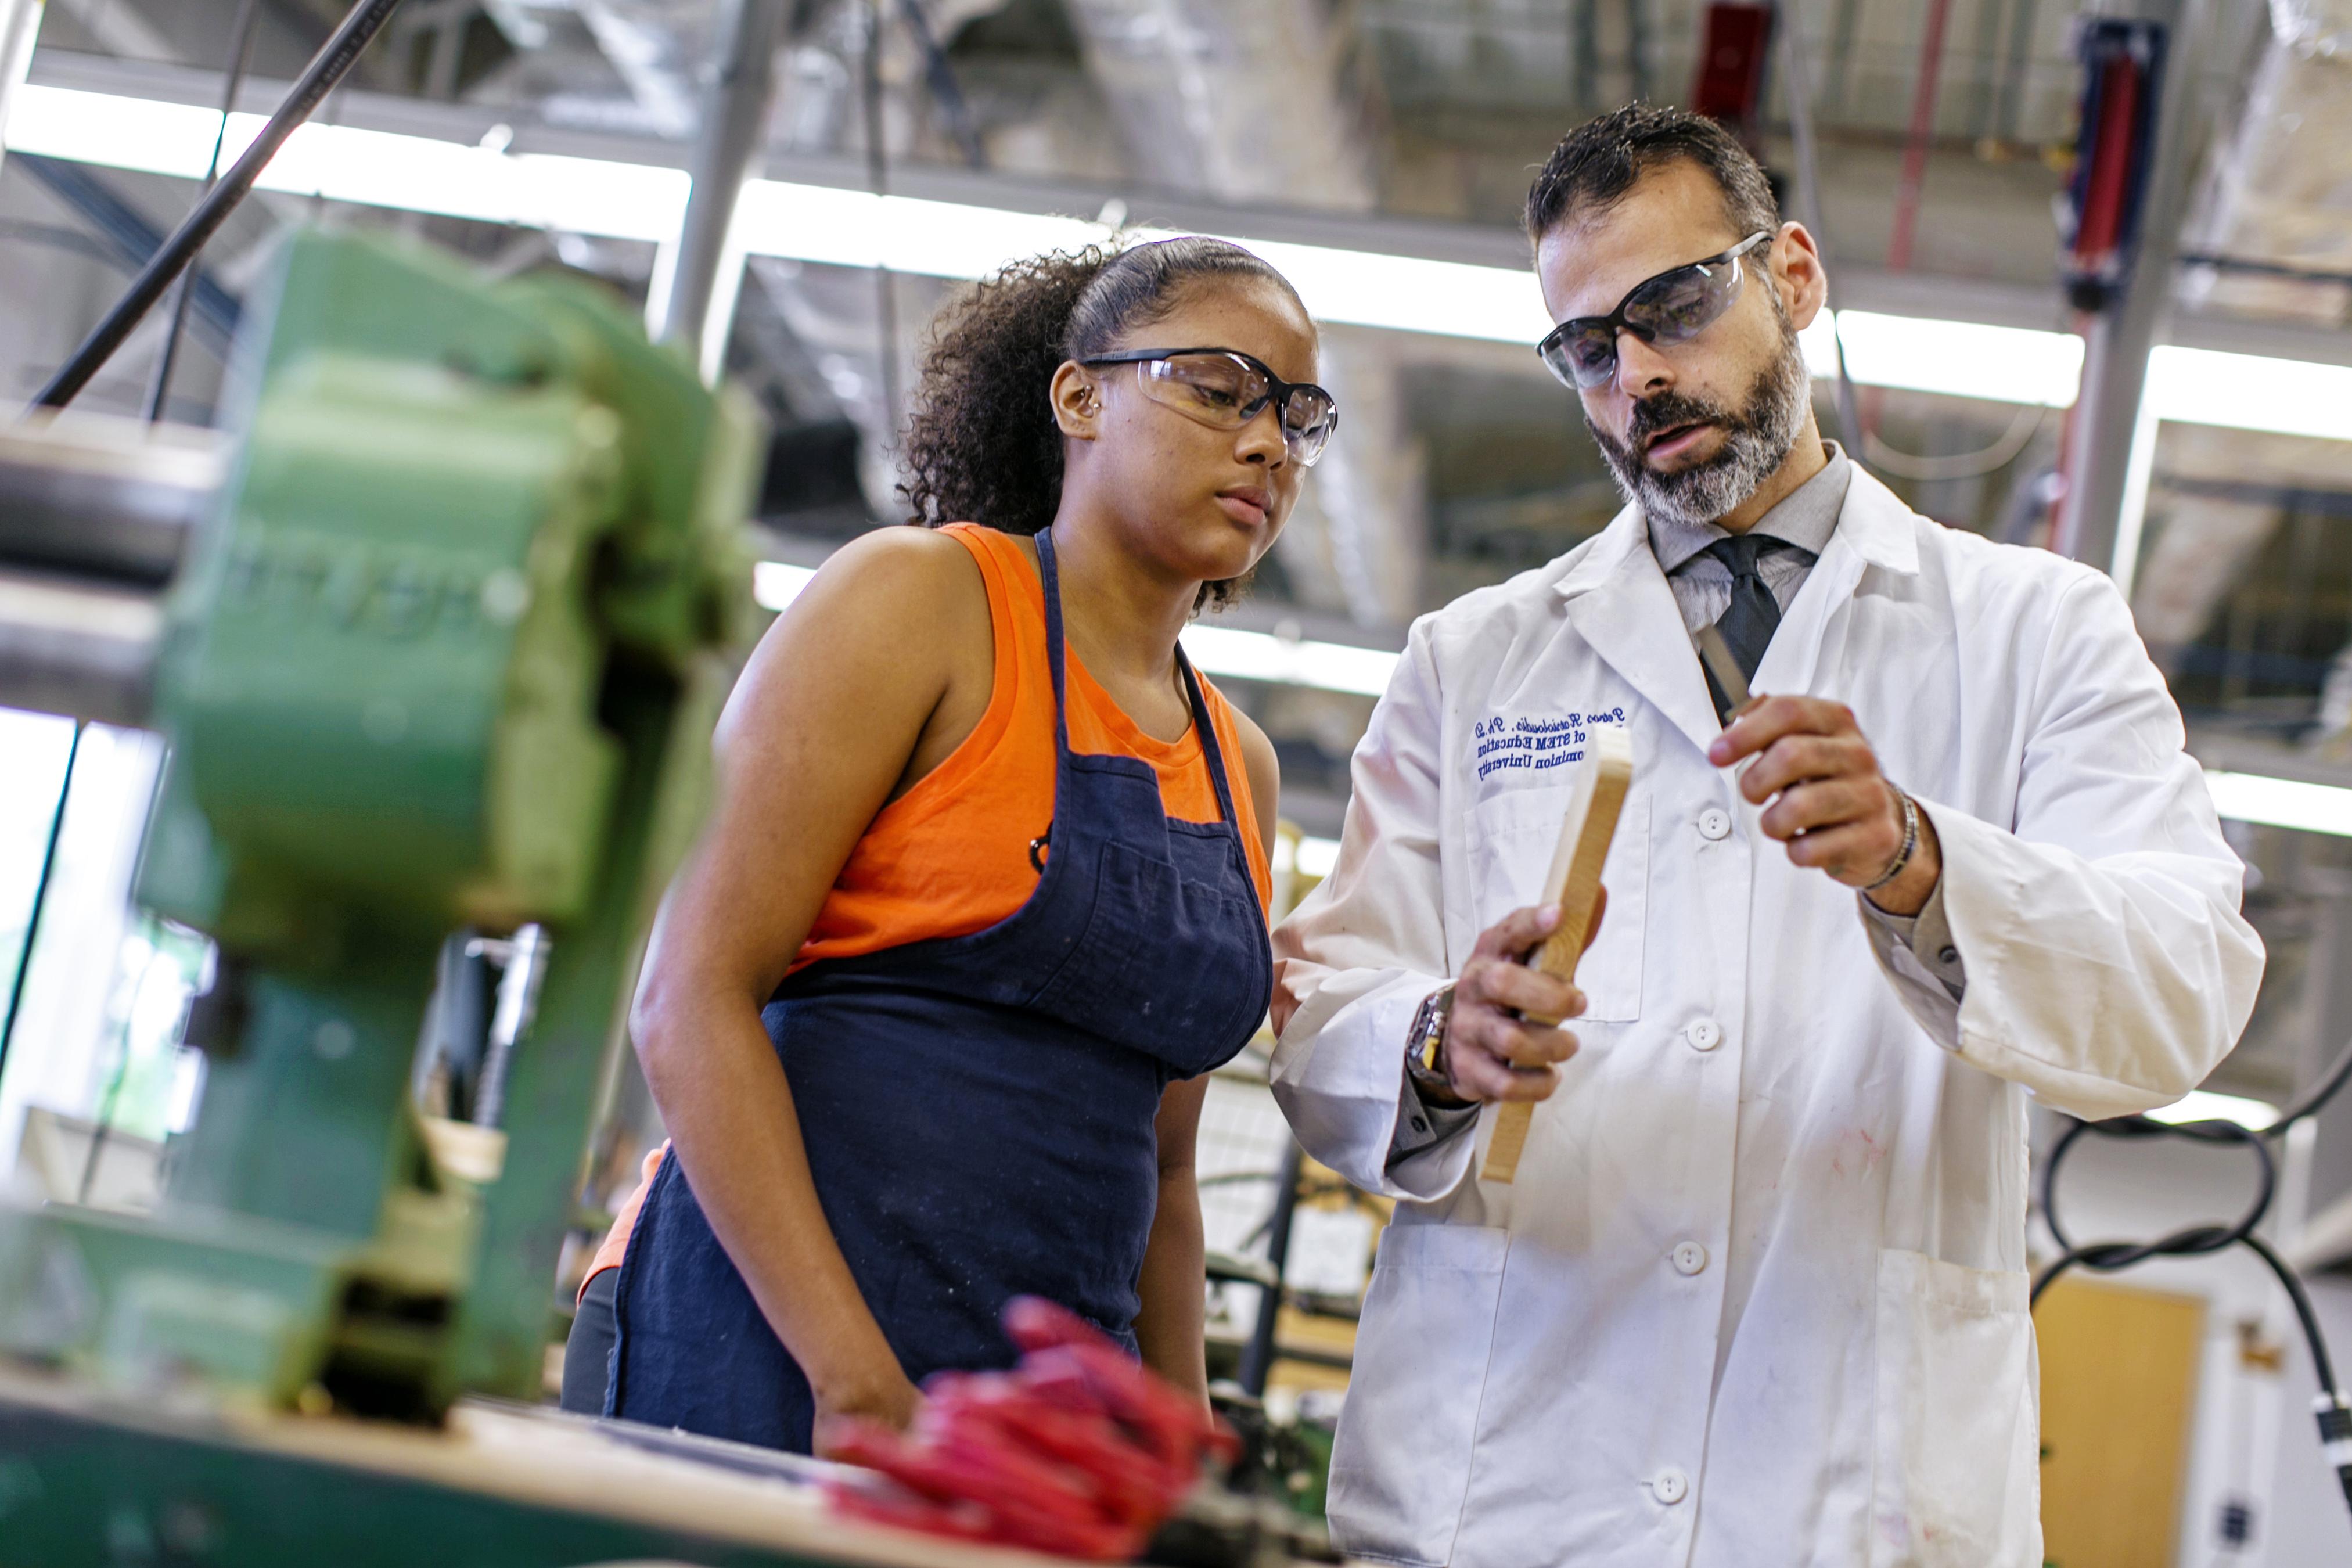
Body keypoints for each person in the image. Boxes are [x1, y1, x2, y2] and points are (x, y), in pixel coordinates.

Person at [1269, 105, 2264, 1567]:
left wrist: (1923, 867)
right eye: (1591, 351)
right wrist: (1436, 1042)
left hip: (1843, 1495)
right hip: (1510, 1482)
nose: (1642, 378)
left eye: (1675, 306)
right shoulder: (1473, 659)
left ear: (1792, 277)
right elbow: (1325, 1018)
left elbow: (2184, 988)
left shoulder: (2034, 632)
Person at [563, 236, 1336, 1455]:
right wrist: (855, 1383)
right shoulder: (919, 605)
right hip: (775, 1343)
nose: (1267, 444)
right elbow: (689, 996)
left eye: (1299, 415)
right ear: (1079, 396)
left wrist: (1181, 1459)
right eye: (1219, 388)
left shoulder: (1239, 762)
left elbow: (1167, 1174)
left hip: (1028, 1414)